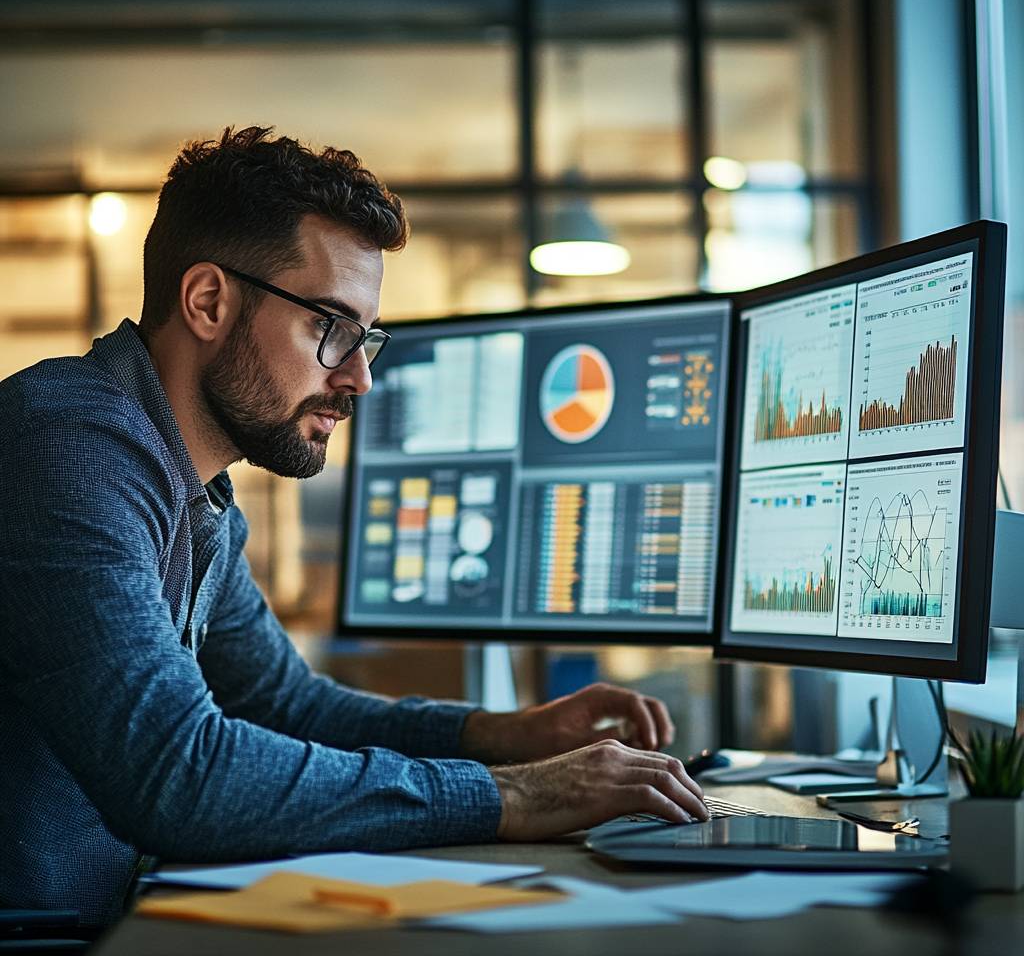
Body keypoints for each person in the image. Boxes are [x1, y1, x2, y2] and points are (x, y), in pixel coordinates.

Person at [0, 126, 707, 925]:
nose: (361, 376)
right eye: (329, 327)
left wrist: (504, 735)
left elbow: (287, 706)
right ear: (207, 302)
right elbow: (177, 774)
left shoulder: (195, 496)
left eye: (366, 337)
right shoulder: (65, 449)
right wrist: (512, 794)